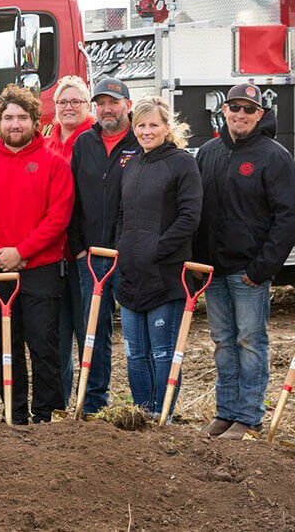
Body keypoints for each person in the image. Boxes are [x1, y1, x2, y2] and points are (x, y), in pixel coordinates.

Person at [0, 85, 74, 424]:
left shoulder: (53, 163)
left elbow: (58, 216)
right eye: (8, 117)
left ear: (34, 121)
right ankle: (15, 414)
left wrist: (21, 252)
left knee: (44, 347)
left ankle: (45, 416)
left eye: (22, 117)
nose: (15, 124)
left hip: (41, 269)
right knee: (6, 348)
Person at [192, 83, 295, 438]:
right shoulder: (208, 152)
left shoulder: (274, 156)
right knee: (223, 341)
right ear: (224, 110)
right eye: (235, 108)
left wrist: (263, 267)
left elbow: (288, 216)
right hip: (215, 270)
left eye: (249, 109)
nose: (241, 115)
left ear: (260, 114)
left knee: (250, 342)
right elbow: (195, 210)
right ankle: (226, 411)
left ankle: (249, 416)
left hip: (248, 272)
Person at [112, 98, 202, 418]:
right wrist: (124, 249)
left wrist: (158, 248)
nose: (146, 131)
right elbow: (123, 214)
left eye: (153, 125)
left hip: (166, 274)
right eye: (141, 125)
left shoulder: (182, 163)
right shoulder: (132, 164)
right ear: (133, 127)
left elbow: (190, 217)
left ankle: (161, 416)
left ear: (167, 127)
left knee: (163, 352)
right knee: (136, 353)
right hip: (132, 274)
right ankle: (142, 412)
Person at [65, 78, 140, 416]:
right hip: (91, 256)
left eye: (114, 102)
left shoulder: (140, 141)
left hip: (129, 255)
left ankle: (147, 404)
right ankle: (95, 402)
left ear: (127, 104)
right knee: (94, 330)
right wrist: (79, 247)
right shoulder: (84, 143)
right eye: (101, 103)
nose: (107, 109)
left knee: (139, 332)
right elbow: (73, 199)